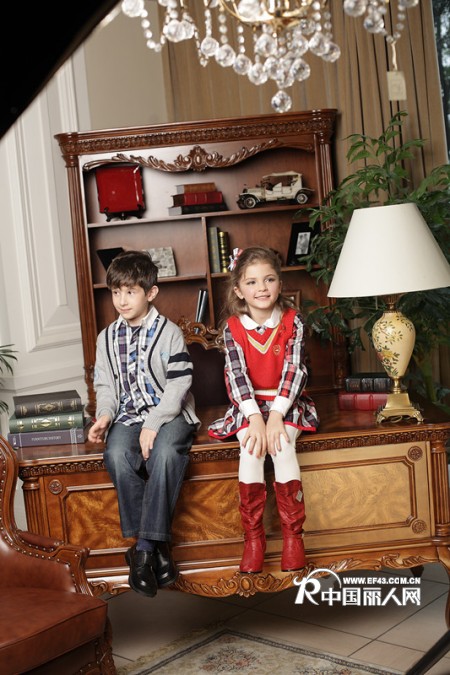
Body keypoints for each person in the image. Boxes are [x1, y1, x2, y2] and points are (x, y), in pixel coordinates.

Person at [88, 250, 199, 598]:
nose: (122, 300)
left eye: (130, 292)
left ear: (150, 293)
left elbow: (179, 385)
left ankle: (142, 551)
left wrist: (153, 423)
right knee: (116, 454)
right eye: (115, 292)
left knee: (164, 455)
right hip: (127, 416)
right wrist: (105, 416)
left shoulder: (170, 334)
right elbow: (105, 386)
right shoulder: (106, 338)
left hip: (170, 414)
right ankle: (156, 549)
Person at [208, 246, 318, 574]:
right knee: (251, 448)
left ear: (280, 284)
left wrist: (277, 415)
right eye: (252, 282)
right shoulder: (232, 327)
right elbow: (235, 375)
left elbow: (295, 370)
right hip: (249, 406)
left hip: (287, 403)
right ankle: (253, 539)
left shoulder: (292, 321)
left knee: (281, 445)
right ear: (239, 290)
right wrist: (255, 417)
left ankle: (293, 537)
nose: (262, 288)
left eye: (269, 279)